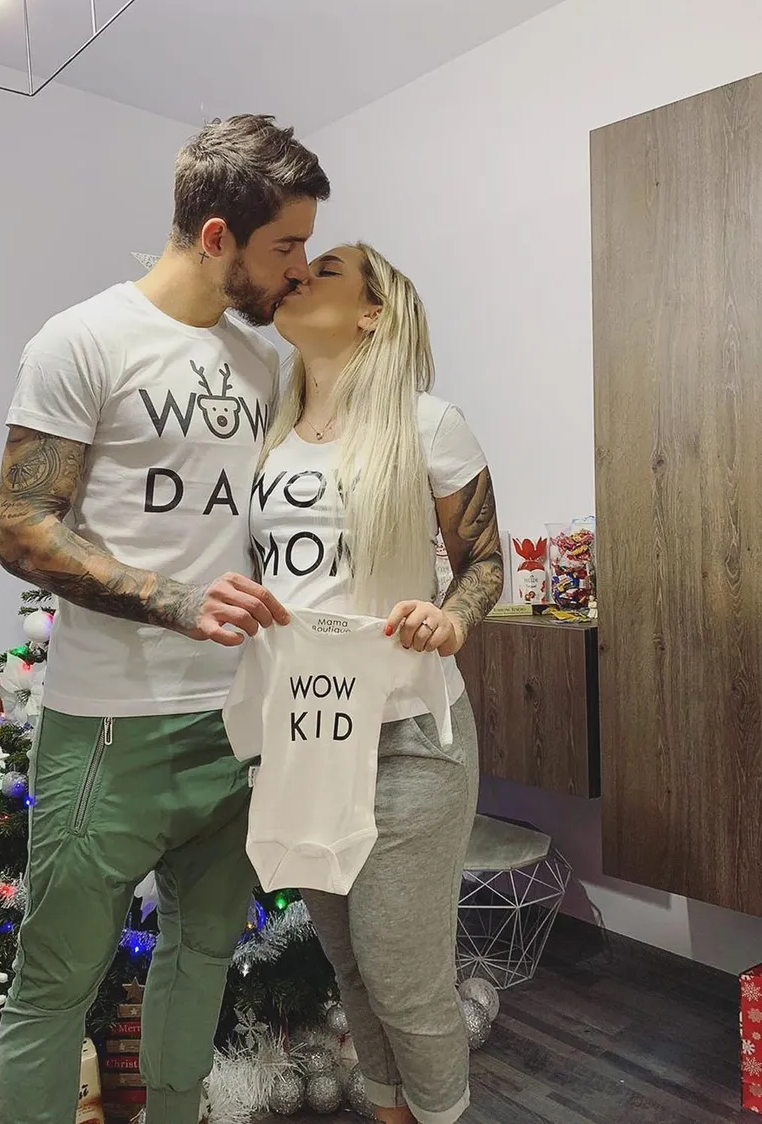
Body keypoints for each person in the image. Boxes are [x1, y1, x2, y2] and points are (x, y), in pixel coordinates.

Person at [0, 114, 330, 1124]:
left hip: (234, 727)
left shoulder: (261, 365)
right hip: (108, 729)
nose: (298, 269)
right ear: (218, 236)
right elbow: (22, 527)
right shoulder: (83, 340)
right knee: (55, 985)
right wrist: (176, 600)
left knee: (203, 951)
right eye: (286, 245)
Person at [251, 243, 504, 1124]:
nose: (298, 274)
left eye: (325, 270)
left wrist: (452, 619)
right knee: (351, 970)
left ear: (373, 313)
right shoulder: (267, 434)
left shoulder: (429, 423)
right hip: (303, 739)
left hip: (409, 739)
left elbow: (484, 563)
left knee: (404, 977)